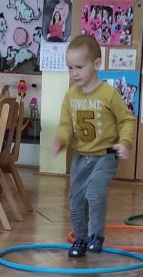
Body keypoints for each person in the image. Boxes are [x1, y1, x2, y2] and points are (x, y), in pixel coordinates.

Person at [51, 32, 134, 257]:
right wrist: (60, 138)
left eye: (79, 67)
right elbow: (66, 124)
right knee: (76, 201)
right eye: (70, 68)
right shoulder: (70, 96)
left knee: (95, 194)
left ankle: (96, 235)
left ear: (96, 64)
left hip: (104, 156)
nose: (74, 73)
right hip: (80, 157)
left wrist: (124, 142)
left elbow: (126, 119)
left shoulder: (109, 94)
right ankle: (81, 238)